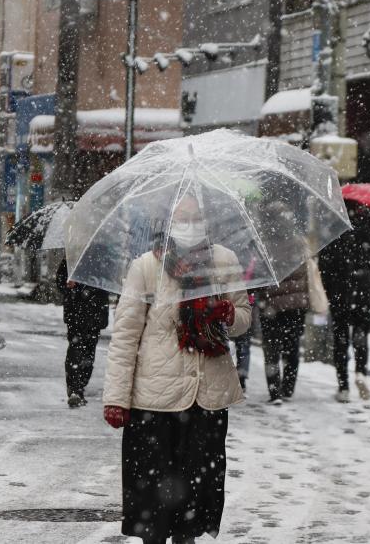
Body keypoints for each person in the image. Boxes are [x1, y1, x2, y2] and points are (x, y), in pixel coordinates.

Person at [103, 194, 252, 544]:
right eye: (181, 218)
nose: (189, 224)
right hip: (154, 402)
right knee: (152, 505)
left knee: (196, 498)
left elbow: (244, 318)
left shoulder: (224, 261)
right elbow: (125, 336)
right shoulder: (146, 266)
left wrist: (230, 315)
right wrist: (116, 398)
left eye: (195, 217)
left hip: (206, 399)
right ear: (169, 222)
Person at [318, 201, 370, 402]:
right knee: (361, 335)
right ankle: (361, 373)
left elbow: (324, 264)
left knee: (340, 339)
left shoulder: (335, 230)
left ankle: (343, 387)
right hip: (365, 292)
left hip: (341, 293)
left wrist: (331, 288)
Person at [255, 257, 327, 403]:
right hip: (296, 306)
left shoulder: (266, 250)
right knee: (292, 347)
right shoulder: (299, 249)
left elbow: (259, 280)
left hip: (271, 306)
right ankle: (287, 389)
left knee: (272, 350)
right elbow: (306, 277)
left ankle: (275, 391)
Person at [56, 258, 109, 408]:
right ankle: (75, 389)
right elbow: (60, 280)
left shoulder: (103, 259)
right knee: (75, 350)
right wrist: (68, 285)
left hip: (95, 314)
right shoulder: (72, 256)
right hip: (76, 313)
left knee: (89, 352)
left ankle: (80, 385)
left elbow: (109, 283)